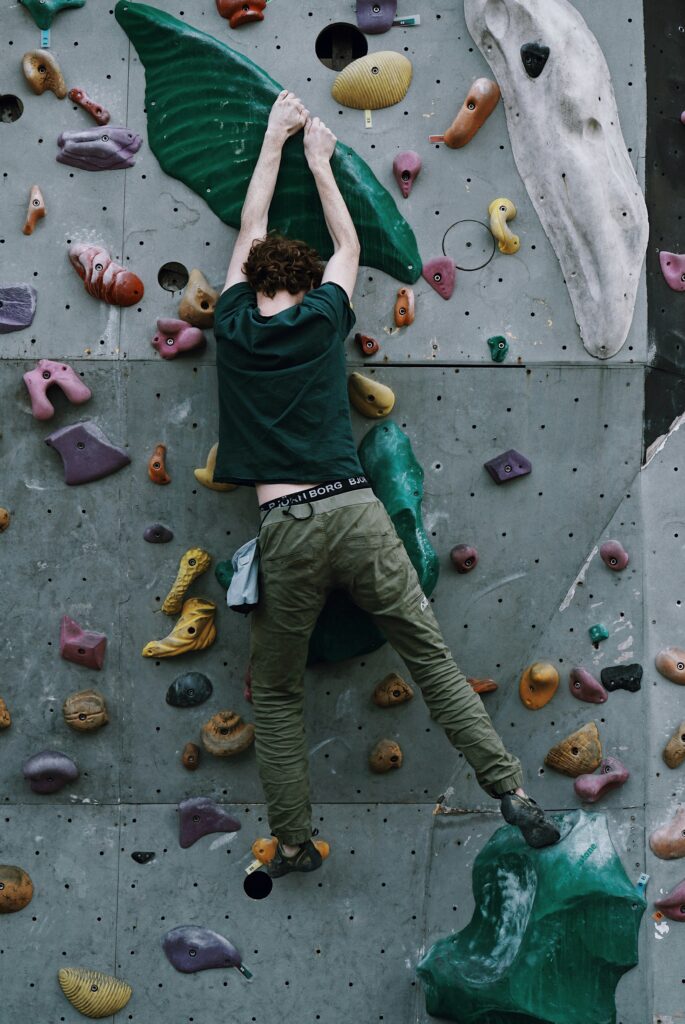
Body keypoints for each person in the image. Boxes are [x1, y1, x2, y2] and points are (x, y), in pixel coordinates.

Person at [212, 90, 560, 878]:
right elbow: (345, 240)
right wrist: (321, 161)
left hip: (288, 527)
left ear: (252, 283)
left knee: (275, 696)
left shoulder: (231, 326)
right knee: (432, 660)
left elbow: (250, 228)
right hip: (356, 512)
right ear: (308, 290)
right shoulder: (327, 315)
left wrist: (273, 137)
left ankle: (296, 841)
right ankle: (510, 791)